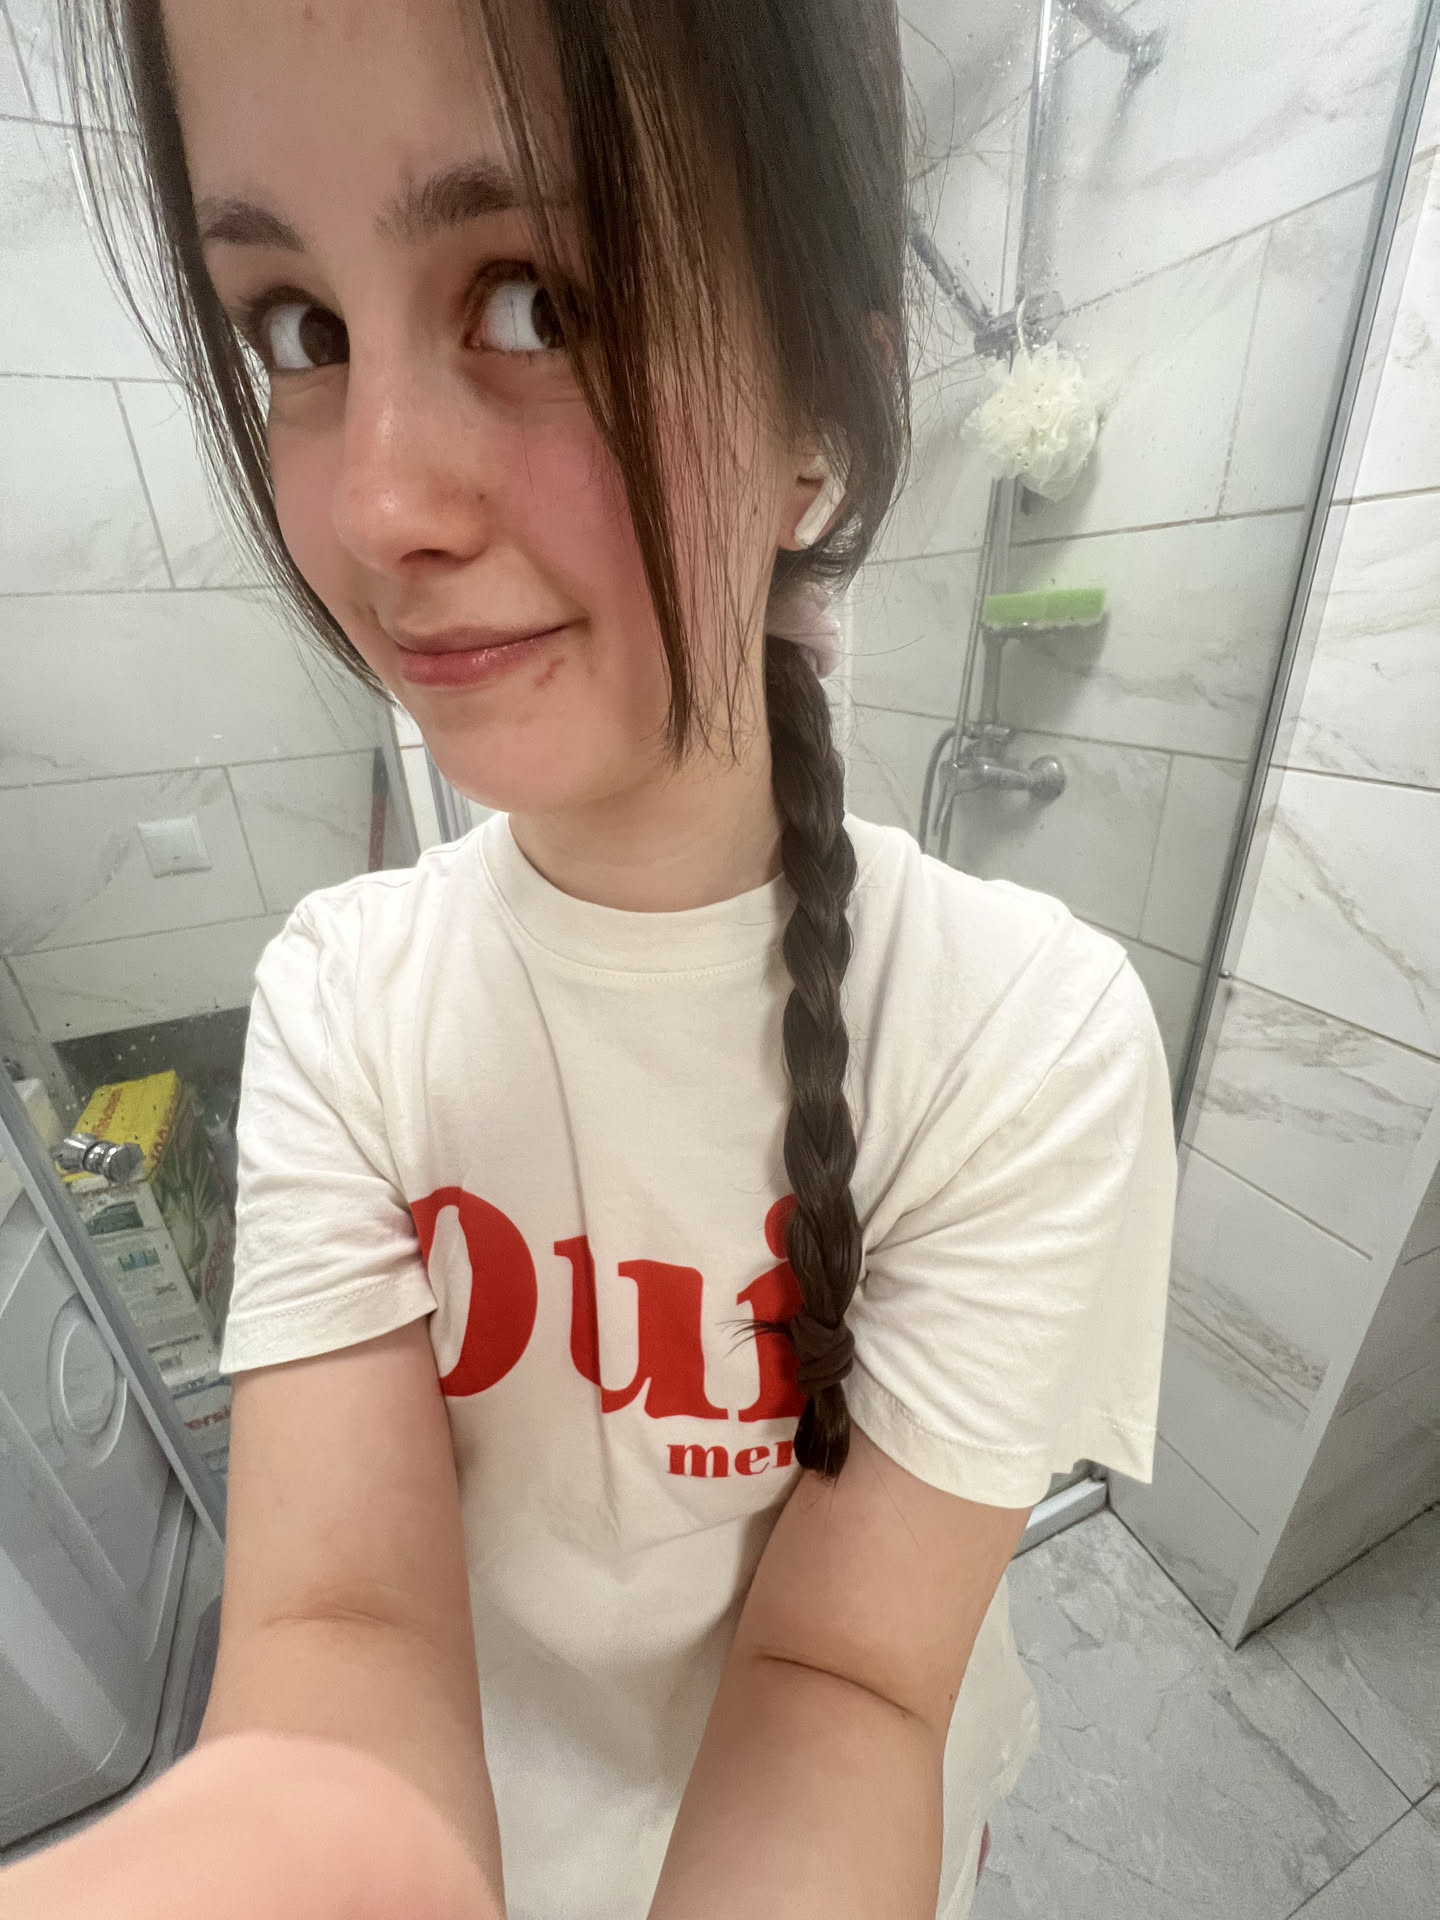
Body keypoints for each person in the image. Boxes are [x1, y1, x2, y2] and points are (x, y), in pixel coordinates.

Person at [5, 1, 1177, 1915]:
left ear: (817, 416)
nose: (379, 507)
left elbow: (849, 1682)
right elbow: (337, 1640)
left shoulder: (1020, 1042)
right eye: (299, 330)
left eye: (533, 299)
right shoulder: (343, 1005)